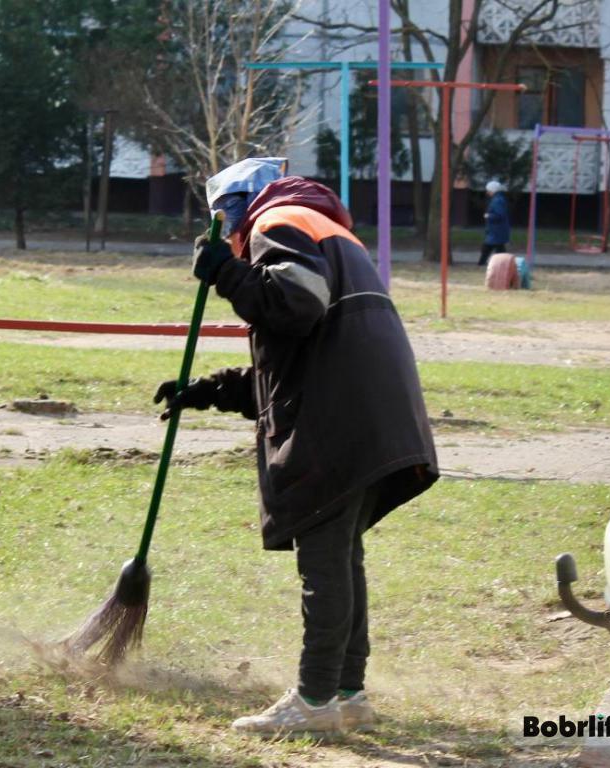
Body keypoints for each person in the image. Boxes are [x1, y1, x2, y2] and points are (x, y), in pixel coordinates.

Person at [154, 158, 438, 737]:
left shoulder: (276, 221)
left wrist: (225, 274)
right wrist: (210, 391)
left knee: (324, 561)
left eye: (223, 223)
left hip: (338, 421)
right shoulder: (322, 228)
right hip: (369, 413)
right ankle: (347, 694)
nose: (230, 240)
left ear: (235, 211)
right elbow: (299, 356)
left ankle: (314, 700)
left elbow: (295, 305)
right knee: (341, 556)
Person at [480, 179, 510, 266]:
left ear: (492, 190)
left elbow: (499, 215)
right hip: (497, 230)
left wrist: (488, 216)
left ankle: (481, 263)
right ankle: (502, 264)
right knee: (498, 248)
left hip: (496, 230)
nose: (487, 192)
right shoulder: (499, 199)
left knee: (489, 247)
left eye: (488, 190)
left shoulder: (497, 201)